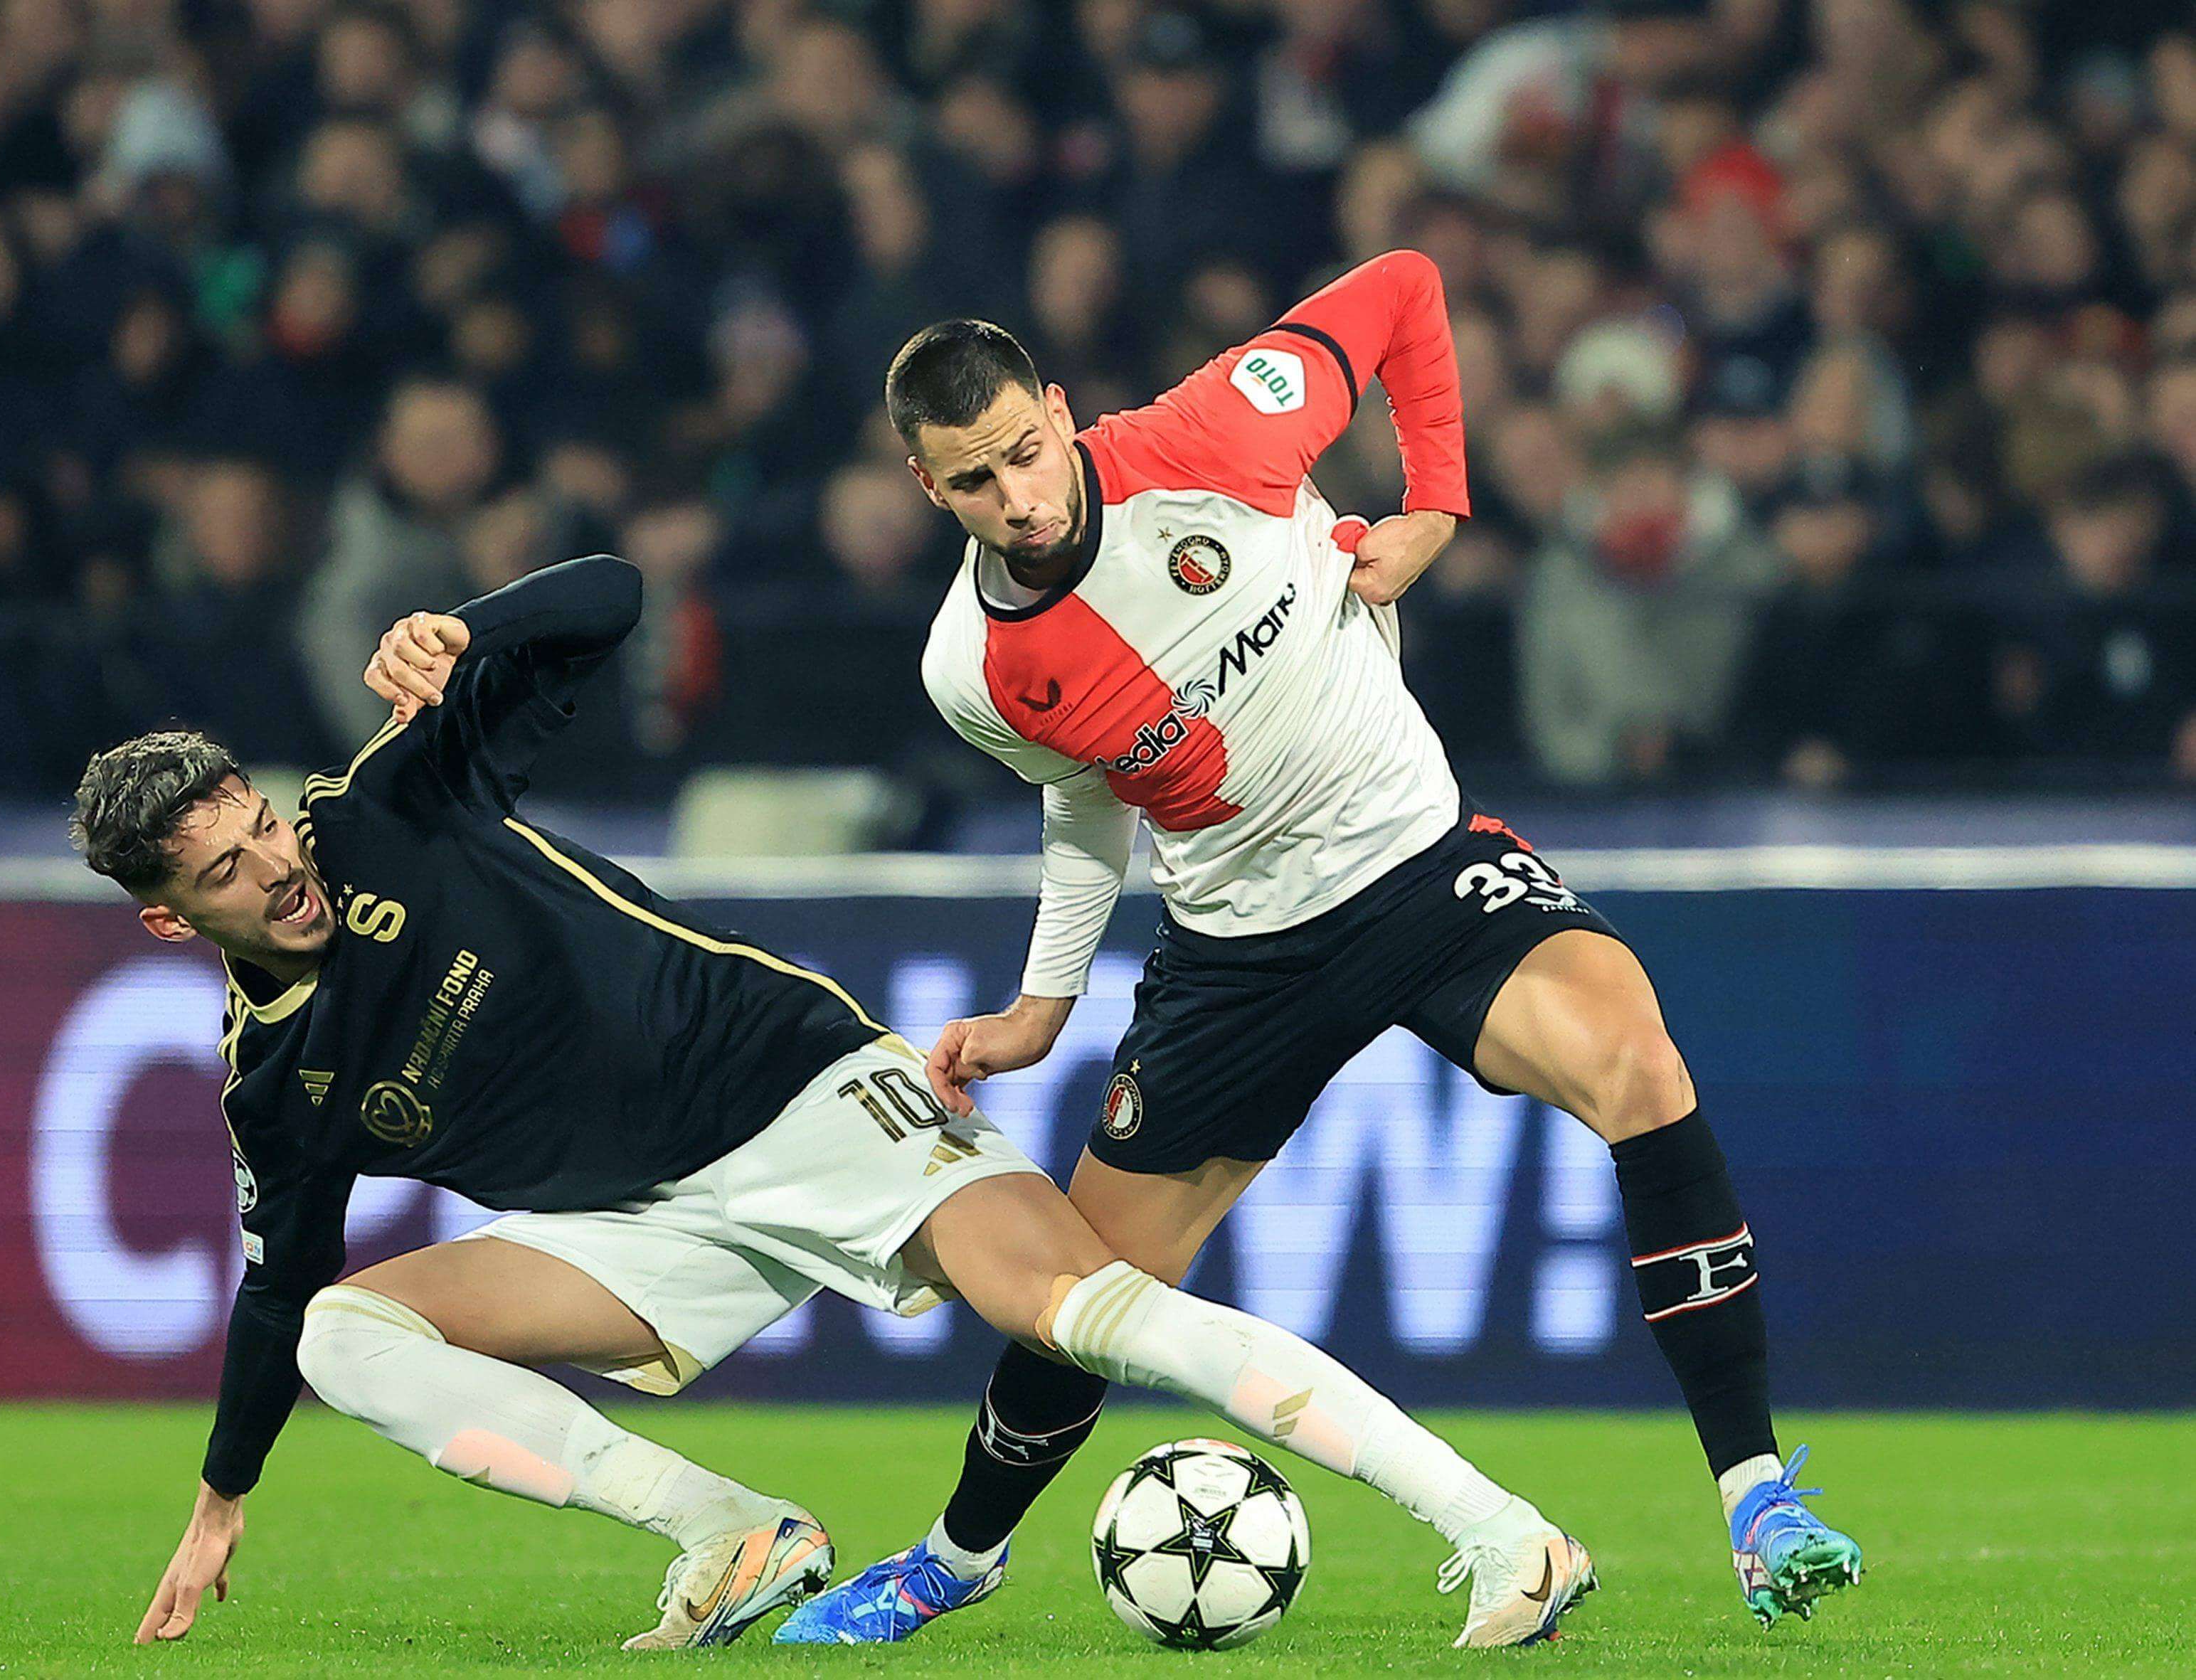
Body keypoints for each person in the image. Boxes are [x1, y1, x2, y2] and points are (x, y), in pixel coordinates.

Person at [79, 554, 1592, 1653]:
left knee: (1080, 1308)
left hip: (794, 1088)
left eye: (259, 826)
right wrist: (220, 1500)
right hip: (646, 1225)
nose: (275, 867)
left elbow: (610, 595)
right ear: (169, 917)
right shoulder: (274, 1085)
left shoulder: (388, 810)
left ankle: (1501, 1531)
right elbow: (275, 1286)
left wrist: (456, 628)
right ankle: (731, 1531)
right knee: (346, 1332)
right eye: (222, 871)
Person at [787, 249, 1862, 1643]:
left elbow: (1411, 286)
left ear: (1059, 411)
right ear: (929, 490)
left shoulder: (1216, 429)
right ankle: (954, 1556)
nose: (1022, 500)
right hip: (1238, 953)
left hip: (1422, 869)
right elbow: (1077, 800)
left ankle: (1754, 1494)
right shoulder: (974, 669)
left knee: (1635, 1060)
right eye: (977, 483)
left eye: (1027, 454)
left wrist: (1433, 504)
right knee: (1078, 1297)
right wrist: (1042, 1003)